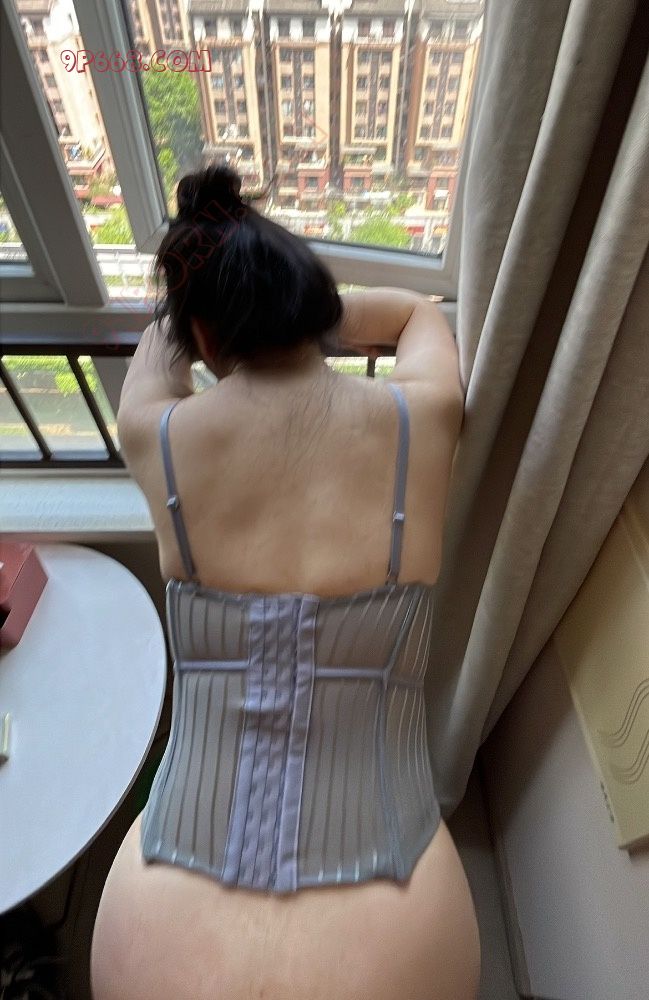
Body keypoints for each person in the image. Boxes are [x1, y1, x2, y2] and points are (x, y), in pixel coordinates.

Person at [90, 164, 479, 1000]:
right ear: (312, 305)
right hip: (400, 902)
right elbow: (419, 313)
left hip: (164, 897)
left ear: (204, 334)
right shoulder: (422, 415)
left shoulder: (155, 434)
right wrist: (310, 305)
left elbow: (164, 342)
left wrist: (208, 304)